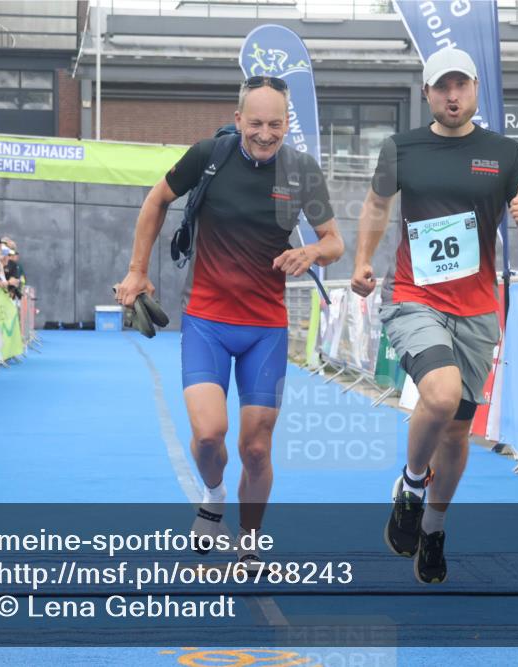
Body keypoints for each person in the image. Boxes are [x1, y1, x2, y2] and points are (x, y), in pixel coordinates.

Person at [115, 75, 344, 569]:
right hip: (207, 323)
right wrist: (136, 270)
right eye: (256, 123)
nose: (265, 133)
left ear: (288, 124)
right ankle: (214, 493)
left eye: (276, 124)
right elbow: (156, 200)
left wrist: (309, 251)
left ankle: (250, 540)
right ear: (238, 119)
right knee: (208, 435)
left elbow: (334, 241)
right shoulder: (208, 155)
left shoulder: (302, 172)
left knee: (257, 449)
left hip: (267, 328)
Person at [350, 48, 518, 584]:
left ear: (476, 89)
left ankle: (433, 530)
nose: (452, 95)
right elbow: (375, 204)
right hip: (416, 297)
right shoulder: (401, 148)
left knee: (458, 434)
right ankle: (412, 485)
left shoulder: (504, 154)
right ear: (427, 94)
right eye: (442, 87)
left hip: (478, 309)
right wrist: (364, 260)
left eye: (461, 85)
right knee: (438, 394)